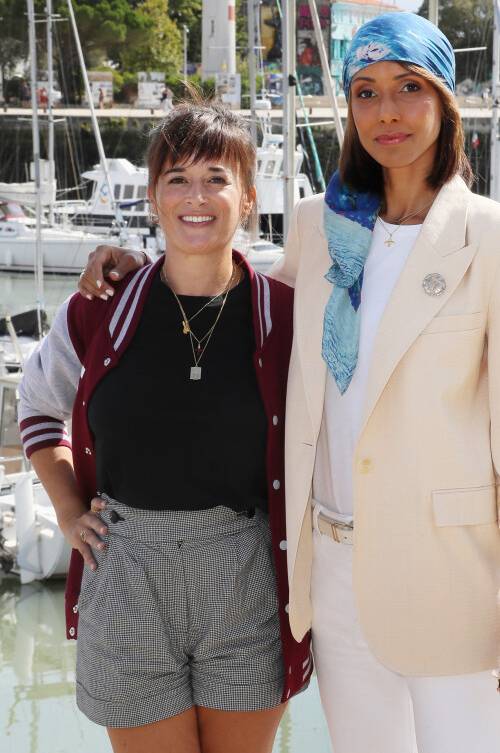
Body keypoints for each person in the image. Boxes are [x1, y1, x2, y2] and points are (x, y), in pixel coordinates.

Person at [78, 13, 500, 753]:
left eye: (408, 88)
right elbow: (228, 306)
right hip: (329, 575)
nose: (386, 111)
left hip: (450, 578)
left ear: (445, 102)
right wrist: (130, 270)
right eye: (364, 92)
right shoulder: (316, 225)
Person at [19, 95, 311, 752]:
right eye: (177, 179)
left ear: (249, 196)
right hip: (124, 573)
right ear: (153, 196)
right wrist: (66, 509)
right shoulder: (100, 312)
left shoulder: (286, 317)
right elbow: (37, 404)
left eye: (217, 178)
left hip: (246, 574)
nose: (196, 196)